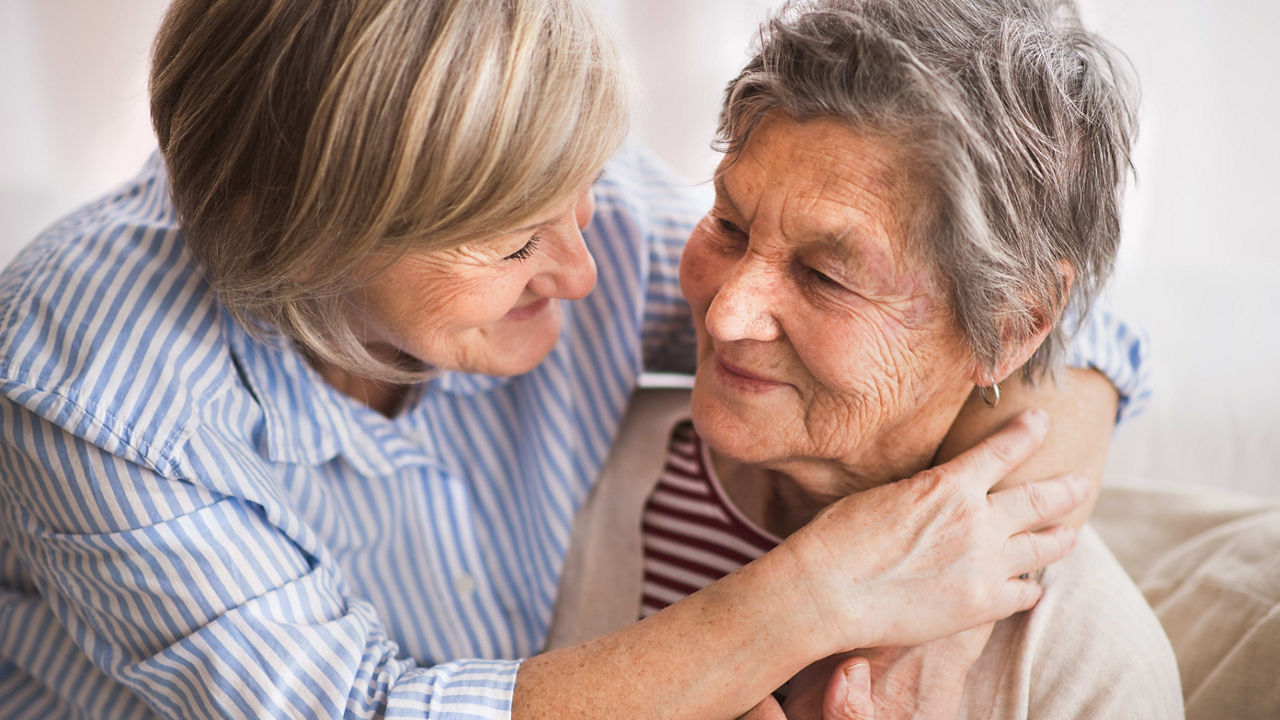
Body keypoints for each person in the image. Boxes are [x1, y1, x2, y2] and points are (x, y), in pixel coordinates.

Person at [0, 0, 1139, 718]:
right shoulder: (90, 378)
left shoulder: (593, 226)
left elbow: (1048, 293)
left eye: (581, 189)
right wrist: (812, 599)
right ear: (295, 235)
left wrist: (1016, 481)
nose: (590, 273)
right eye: (506, 240)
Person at [547, 0, 1180, 717]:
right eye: (728, 223)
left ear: (1010, 327)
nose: (728, 313)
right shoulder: (574, 467)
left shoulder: (1088, 668)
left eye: (826, 278)